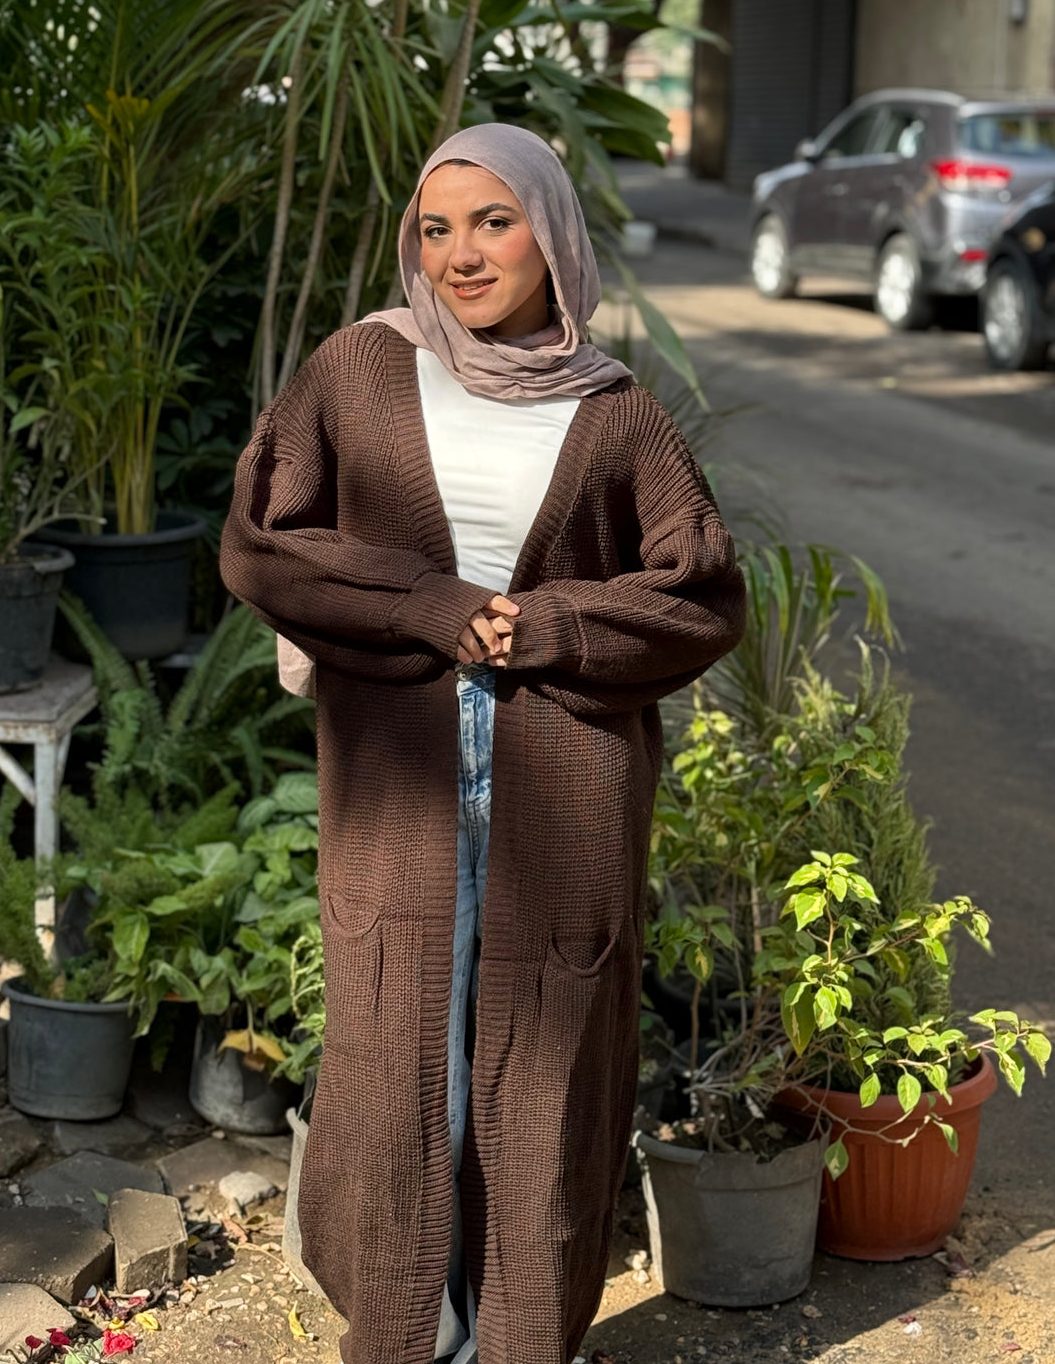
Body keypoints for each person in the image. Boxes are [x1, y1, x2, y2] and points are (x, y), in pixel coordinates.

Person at [220, 122, 746, 1364]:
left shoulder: (617, 415)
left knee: (546, 1067)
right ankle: (404, 1331)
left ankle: (517, 1339)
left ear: (552, 235)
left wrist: (551, 625)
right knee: (394, 1052)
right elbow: (263, 542)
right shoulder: (357, 371)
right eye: (436, 228)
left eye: (493, 221)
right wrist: (436, 609)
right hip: (397, 783)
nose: (461, 254)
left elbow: (702, 594)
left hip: (564, 786)